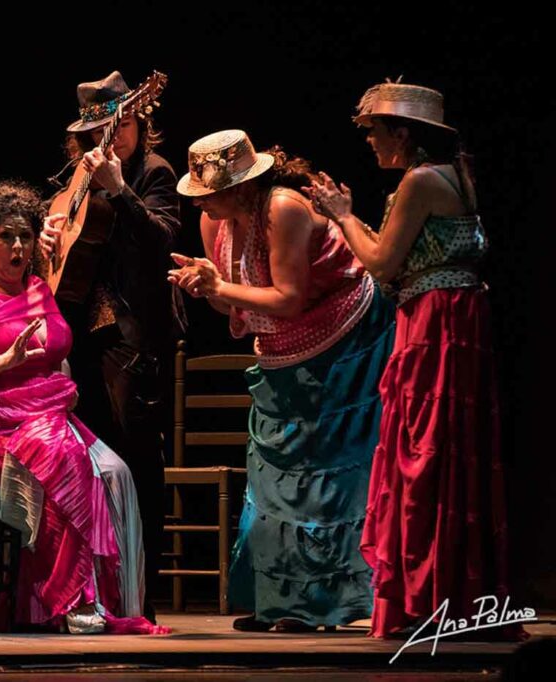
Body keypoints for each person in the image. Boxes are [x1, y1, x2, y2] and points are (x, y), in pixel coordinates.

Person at [305, 81, 521, 639]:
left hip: (435, 329)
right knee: (450, 455)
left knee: (425, 455)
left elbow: (380, 262)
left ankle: (428, 597)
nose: (371, 144)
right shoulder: (455, 175)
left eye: (375, 132)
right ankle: (450, 594)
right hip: (452, 323)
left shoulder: (421, 181)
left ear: (402, 134)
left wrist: (341, 214)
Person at [168, 129, 394, 631]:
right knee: (274, 476)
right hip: (283, 351)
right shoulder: (215, 222)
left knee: (325, 474)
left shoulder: (283, 208)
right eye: (200, 194)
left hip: (345, 340)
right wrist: (206, 287)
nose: (203, 201)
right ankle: (281, 600)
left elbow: (289, 298)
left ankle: (318, 605)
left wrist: (220, 284)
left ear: (243, 185)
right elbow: (234, 304)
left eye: (212, 191)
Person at [0, 182, 166, 635]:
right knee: (65, 469)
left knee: (116, 473)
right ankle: (72, 600)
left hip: (46, 416)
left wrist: (62, 377)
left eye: (24, 236)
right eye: (5, 236)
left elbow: (55, 348)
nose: (17, 246)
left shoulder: (39, 288)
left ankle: (110, 598)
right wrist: (2, 362)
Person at [41, 72, 185, 619]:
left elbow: (163, 240)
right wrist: (48, 240)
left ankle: (140, 598)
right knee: (90, 465)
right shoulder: (80, 177)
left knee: (138, 461)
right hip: (80, 337)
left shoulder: (154, 172)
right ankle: (95, 589)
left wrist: (122, 190)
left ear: (140, 120)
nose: (116, 134)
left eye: (123, 122)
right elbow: (61, 244)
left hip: (130, 338)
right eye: (104, 127)